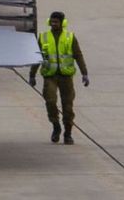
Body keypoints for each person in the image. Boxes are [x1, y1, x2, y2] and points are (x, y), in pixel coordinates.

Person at [29, 11, 90, 144]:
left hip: (66, 77)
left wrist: (84, 73)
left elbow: (78, 55)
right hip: (50, 76)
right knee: (50, 101)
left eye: (56, 22)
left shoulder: (70, 37)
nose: (53, 24)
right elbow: (37, 57)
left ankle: (67, 133)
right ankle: (56, 126)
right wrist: (32, 75)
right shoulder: (43, 37)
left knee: (67, 106)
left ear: (62, 23)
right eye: (52, 21)